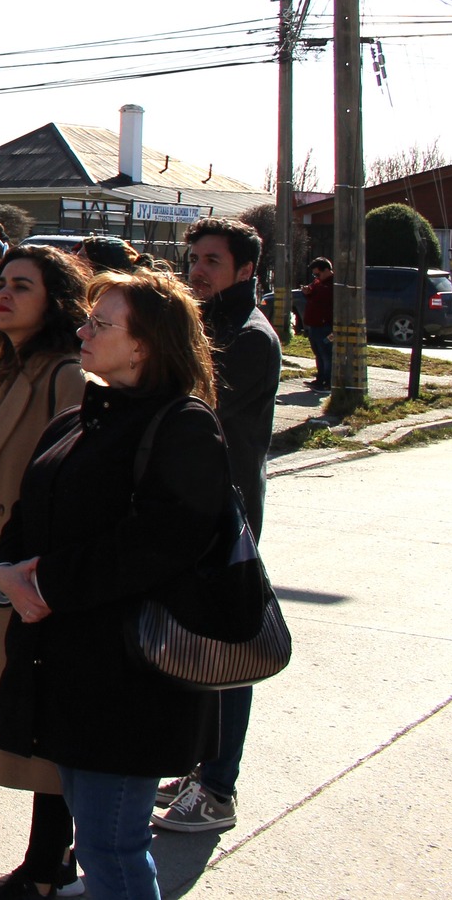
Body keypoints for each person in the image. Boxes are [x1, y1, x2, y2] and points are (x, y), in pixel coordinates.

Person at [0, 268, 234, 900]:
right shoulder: (78, 419)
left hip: (130, 685)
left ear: (145, 344)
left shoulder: (182, 426)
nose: (82, 331)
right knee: (99, 846)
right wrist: (6, 575)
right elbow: (25, 516)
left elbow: (160, 543)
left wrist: (41, 583)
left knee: (111, 848)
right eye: (87, 320)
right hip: (66, 673)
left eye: (101, 324)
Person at [0, 245, 90, 900]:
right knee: (34, 720)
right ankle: (48, 859)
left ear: (58, 302)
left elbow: (77, 487)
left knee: (48, 725)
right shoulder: (19, 368)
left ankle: (49, 864)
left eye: (22, 286)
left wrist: (34, 574)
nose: (3, 295)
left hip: (37, 580)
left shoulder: (67, 374)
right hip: (11, 573)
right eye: (0, 284)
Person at [154, 218, 280, 834]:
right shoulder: (208, 323)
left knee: (229, 654)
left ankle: (220, 790)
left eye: (212, 261)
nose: (197, 270)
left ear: (246, 270)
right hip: (191, 510)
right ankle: (203, 768)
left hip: (225, 517)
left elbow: (198, 412)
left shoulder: (249, 338)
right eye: (194, 258)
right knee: (196, 648)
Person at [300, 256, 335, 389]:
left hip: (325, 326)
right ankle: (320, 379)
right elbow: (313, 293)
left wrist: (312, 292)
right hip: (314, 325)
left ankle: (328, 382)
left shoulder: (332, 284)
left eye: (318, 274)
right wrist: (308, 292)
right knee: (318, 353)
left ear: (326, 270)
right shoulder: (318, 283)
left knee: (326, 354)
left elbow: (323, 298)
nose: (316, 277)